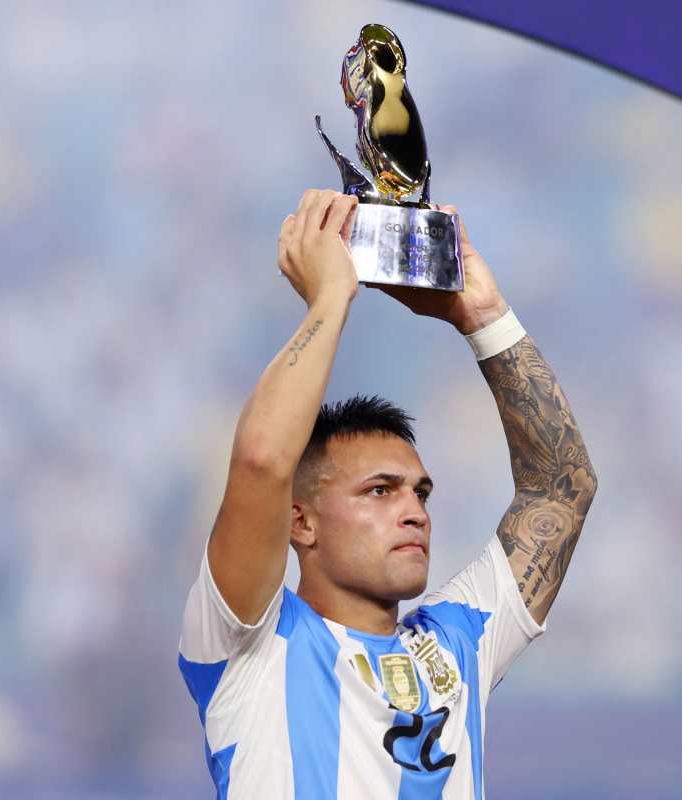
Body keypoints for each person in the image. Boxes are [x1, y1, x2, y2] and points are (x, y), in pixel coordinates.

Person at [177, 189, 598, 798]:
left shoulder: (459, 642)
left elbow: (562, 489)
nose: (414, 512)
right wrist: (330, 298)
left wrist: (483, 316)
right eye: (379, 491)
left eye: (420, 494)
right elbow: (263, 461)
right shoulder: (248, 642)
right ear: (300, 522)